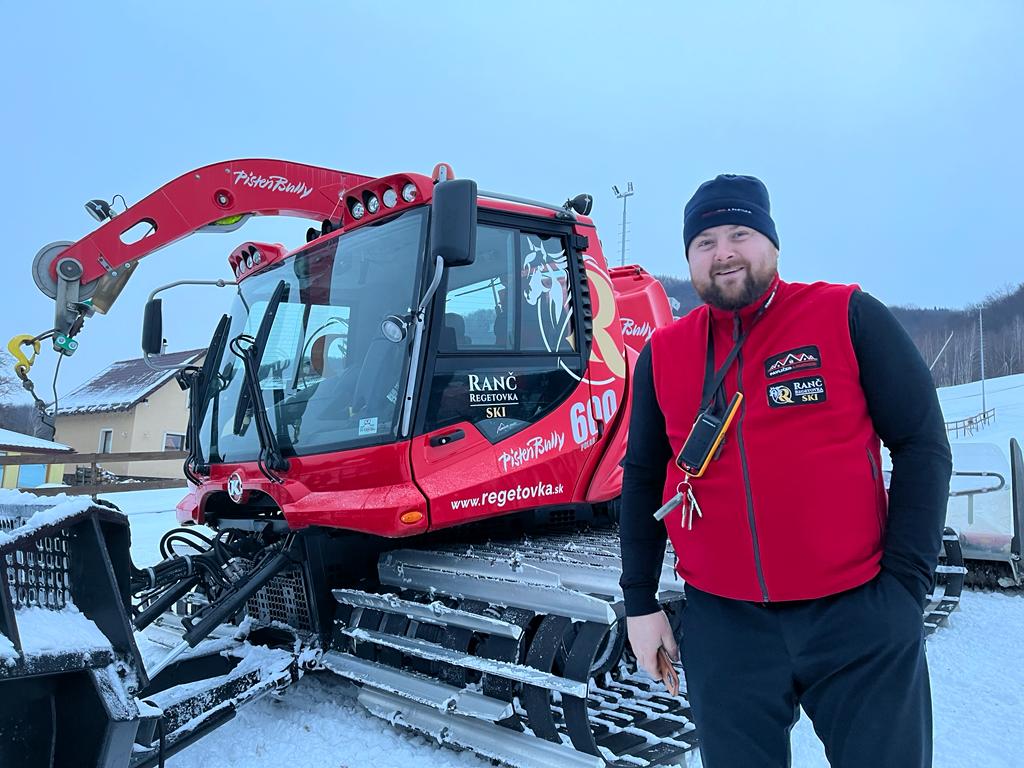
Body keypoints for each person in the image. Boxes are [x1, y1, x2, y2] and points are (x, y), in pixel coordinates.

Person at [619, 174, 951, 767]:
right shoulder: (663, 356)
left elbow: (922, 443)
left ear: (771, 241)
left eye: (739, 233)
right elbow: (643, 478)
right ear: (690, 258)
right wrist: (640, 603)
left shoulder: (847, 315)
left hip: (857, 618)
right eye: (704, 241)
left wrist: (906, 586)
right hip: (725, 628)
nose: (723, 252)